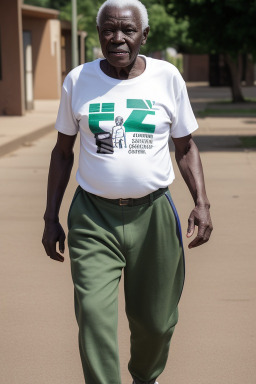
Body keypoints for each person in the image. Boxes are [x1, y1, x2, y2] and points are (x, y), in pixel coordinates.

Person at [42, 0, 213, 383]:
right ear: (99, 34)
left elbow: (185, 148)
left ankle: (144, 377)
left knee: (156, 323)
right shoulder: (78, 80)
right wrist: (50, 217)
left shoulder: (166, 78)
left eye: (127, 30)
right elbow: (62, 153)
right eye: (108, 30)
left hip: (153, 215)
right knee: (94, 320)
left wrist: (201, 203)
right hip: (93, 218)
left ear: (144, 35)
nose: (117, 38)